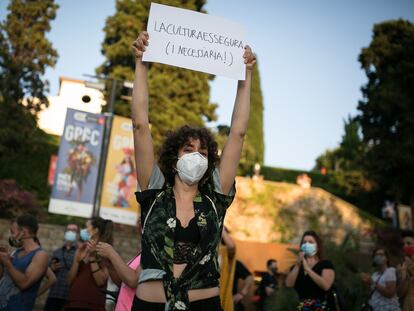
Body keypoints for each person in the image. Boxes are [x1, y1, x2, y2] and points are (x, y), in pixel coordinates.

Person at [130, 30, 256, 311]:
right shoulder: (154, 192)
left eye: (203, 151)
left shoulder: (215, 198)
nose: (196, 155)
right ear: (174, 157)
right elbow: (140, 125)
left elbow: (237, 134)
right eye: (188, 149)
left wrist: (244, 77)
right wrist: (140, 63)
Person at [0, 215, 49, 311]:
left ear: (23, 232)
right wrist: (2, 261)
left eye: (13, 232)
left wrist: (8, 264)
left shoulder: (40, 255)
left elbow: (24, 284)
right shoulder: (17, 251)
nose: (11, 236)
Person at [64, 217, 114, 311]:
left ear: (96, 230)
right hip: (73, 302)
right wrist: (76, 261)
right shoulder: (81, 248)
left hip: (92, 304)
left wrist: (92, 257)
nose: (84, 230)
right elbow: (69, 281)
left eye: (87, 227)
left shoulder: (105, 250)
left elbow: (100, 282)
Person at [285, 230, 335, 310]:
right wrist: (298, 265)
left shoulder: (325, 264)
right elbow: (288, 284)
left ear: (317, 246)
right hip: (302, 307)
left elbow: (326, 286)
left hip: (321, 307)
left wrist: (308, 269)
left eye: (310, 242)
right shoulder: (297, 267)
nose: (307, 244)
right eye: (304, 242)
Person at [95, 242, 141, 311]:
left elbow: (133, 281)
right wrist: (109, 265)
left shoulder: (152, 254)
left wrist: (111, 253)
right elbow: (122, 283)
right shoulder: (141, 254)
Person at [44, 223, 79, 311]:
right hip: (54, 294)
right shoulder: (56, 252)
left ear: (77, 234)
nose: (70, 232)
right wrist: (51, 268)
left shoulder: (79, 253)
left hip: (70, 297)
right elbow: (46, 273)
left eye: (73, 230)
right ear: (65, 232)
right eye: (68, 230)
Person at [360, 247, 400, 311]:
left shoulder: (390, 271)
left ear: (387, 258)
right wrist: (367, 282)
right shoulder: (374, 275)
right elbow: (374, 293)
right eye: (376, 255)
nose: (378, 256)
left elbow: (390, 293)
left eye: (381, 254)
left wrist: (373, 283)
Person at [397, 230, 414, 311]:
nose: (405, 246)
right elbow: (399, 293)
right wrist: (404, 279)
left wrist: (410, 267)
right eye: (403, 244)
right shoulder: (400, 266)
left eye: (409, 243)